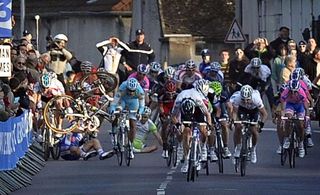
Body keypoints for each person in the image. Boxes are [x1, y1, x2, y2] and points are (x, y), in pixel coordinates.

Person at [172, 79, 212, 173]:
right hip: (185, 111)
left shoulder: (198, 99)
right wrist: (178, 125)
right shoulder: (178, 100)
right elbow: (173, 116)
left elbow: (207, 114)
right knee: (186, 131)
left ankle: (203, 148)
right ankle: (186, 160)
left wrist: (208, 126)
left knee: (203, 129)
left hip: (198, 110)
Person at [230, 85, 268, 163]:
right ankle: (238, 148)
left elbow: (264, 114)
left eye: (248, 100)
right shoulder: (237, 98)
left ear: (251, 97)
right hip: (242, 110)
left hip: (254, 111)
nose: (246, 102)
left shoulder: (256, 98)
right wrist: (233, 121)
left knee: (254, 130)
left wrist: (261, 124)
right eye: (243, 100)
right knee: (238, 127)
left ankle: (253, 149)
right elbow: (234, 112)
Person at [109, 78, 145, 159]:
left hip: (133, 102)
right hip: (123, 100)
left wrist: (139, 113)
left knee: (133, 125)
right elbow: (114, 102)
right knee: (117, 112)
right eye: (129, 90)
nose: (131, 92)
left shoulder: (140, 91)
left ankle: (130, 147)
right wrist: (112, 111)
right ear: (126, 88)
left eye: (133, 91)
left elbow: (142, 106)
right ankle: (114, 131)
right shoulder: (122, 87)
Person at [281, 79, 309, 158]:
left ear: (298, 90)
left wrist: (307, 117)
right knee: (288, 118)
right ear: (288, 89)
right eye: (291, 91)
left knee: (300, 125)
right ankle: (287, 137)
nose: (293, 93)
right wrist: (283, 118)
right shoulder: (285, 92)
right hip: (290, 105)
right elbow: (283, 109)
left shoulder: (302, 93)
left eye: (295, 91)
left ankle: (301, 145)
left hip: (300, 106)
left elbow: (306, 108)